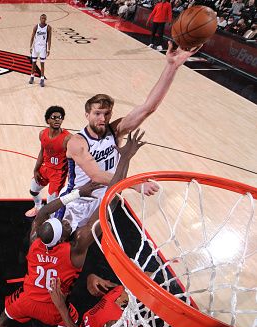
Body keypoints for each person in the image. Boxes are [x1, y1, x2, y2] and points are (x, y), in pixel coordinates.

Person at [0, 130, 145, 327]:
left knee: (3, 319)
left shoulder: (35, 242)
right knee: (70, 320)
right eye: (67, 227)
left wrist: (75, 193)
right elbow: (110, 198)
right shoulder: (77, 247)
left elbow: (43, 212)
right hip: (53, 306)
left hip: (28, 297)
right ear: (63, 236)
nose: (70, 225)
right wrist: (124, 158)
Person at [55, 43, 199, 233]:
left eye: (107, 114)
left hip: (105, 199)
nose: (102, 118)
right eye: (97, 113)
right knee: (63, 252)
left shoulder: (115, 131)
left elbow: (148, 108)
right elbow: (96, 175)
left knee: (89, 250)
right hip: (77, 204)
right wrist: (136, 184)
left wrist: (172, 66)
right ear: (86, 115)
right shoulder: (77, 142)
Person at [25, 106, 71, 218]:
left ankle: (52, 222)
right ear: (48, 120)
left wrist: (71, 179)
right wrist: (36, 169)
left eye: (60, 118)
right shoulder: (42, 134)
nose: (57, 120)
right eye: (54, 117)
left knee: (51, 203)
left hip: (58, 173)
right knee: (33, 190)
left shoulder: (68, 138)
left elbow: (73, 160)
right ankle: (37, 206)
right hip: (45, 168)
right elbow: (42, 152)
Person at [29, 14, 52, 87]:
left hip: (43, 47)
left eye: (44, 18)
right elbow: (32, 37)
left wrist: (48, 49)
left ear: (46, 19)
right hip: (36, 47)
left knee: (42, 64)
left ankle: (42, 79)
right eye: (42, 18)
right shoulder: (36, 26)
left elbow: (49, 39)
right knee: (33, 63)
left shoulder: (48, 27)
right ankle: (32, 77)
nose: (43, 19)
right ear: (40, 19)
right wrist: (30, 47)